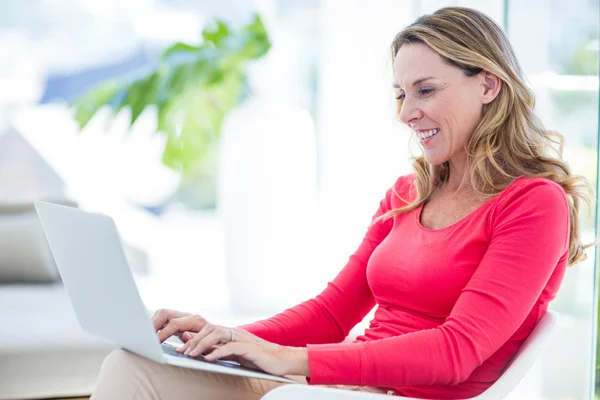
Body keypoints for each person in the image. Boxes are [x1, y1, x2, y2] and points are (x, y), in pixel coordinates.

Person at [91, 6, 594, 400]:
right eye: (400, 93)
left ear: (489, 84)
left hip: (403, 395)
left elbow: (457, 352)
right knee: (134, 366)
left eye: (426, 90)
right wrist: (225, 339)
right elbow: (332, 313)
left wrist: (293, 360)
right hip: (342, 385)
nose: (407, 112)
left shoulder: (534, 204)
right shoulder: (407, 194)